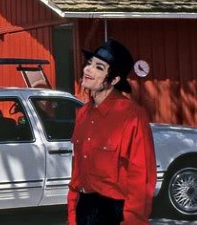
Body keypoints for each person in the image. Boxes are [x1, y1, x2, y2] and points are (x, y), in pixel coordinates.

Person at [67, 39, 156, 225]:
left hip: (115, 213)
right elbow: (77, 172)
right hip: (84, 209)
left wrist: (133, 221)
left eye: (99, 67)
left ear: (114, 79)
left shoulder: (132, 115)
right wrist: (72, 214)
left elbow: (143, 178)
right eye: (89, 63)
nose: (88, 70)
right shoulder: (82, 114)